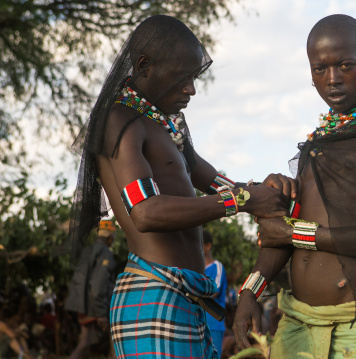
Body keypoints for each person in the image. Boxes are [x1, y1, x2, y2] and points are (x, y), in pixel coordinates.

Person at [67, 15, 293, 359]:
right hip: (153, 297)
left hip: (182, 299)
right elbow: (145, 211)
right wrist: (244, 200)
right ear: (144, 66)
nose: (191, 88)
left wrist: (265, 190)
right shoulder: (121, 120)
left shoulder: (165, 125)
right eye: (182, 77)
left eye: (193, 77)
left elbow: (214, 181)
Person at [233, 14, 356, 357]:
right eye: (320, 69)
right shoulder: (317, 142)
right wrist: (249, 294)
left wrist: (293, 234)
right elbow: (277, 235)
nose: (332, 79)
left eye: (345, 65)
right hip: (297, 322)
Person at [66, 219, 117, 359]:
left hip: (82, 304)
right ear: (109, 238)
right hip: (94, 305)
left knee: (83, 343)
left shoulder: (88, 250)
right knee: (114, 337)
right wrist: (101, 313)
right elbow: (98, 285)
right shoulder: (105, 254)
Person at [202, 230, 227, 356]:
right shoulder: (197, 268)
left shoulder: (217, 267)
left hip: (213, 323)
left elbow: (214, 292)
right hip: (198, 323)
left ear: (208, 246)